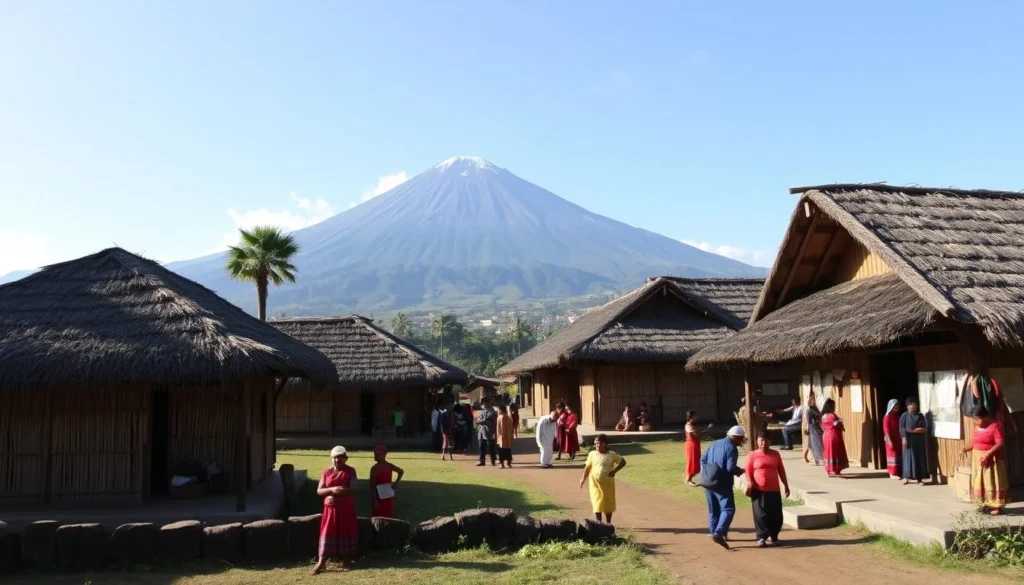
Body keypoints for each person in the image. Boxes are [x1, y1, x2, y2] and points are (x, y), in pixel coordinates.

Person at [312, 446, 358, 574]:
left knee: (345, 531)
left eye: (340, 457)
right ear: (331, 459)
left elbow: (354, 488)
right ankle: (321, 562)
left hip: (345, 508)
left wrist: (342, 490)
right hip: (330, 510)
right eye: (335, 458)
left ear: (345, 458)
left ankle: (346, 560)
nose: (337, 460)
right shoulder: (327, 472)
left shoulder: (350, 471)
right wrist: (332, 490)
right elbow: (319, 490)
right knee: (327, 532)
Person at [699, 426, 747, 549]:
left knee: (713, 509)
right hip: (722, 483)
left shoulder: (715, 443)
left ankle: (714, 532)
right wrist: (740, 470)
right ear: (736, 437)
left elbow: (703, 459)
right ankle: (719, 533)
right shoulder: (731, 447)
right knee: (728, 509)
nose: (741, 442)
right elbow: (730, 468)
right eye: (741, 439)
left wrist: (709, 472)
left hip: (708, 481)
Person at [961, 405, 1009, 515]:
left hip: (992, 460)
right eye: (974, 419)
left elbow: (1000, 442)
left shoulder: (995, 426)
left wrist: (988, 453)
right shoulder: (977, 428)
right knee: (981, 481)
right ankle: (985, 504)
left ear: (986, 417)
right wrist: (964, 449)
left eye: (978, 419)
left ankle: (996, 506)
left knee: (992, 481)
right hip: (978, 460)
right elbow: (974, 442)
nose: (975, 421)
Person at [744, 431, 790, 547]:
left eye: (767, 440)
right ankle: (761, 538)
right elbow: (748, 470)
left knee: (776, 515)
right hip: (759, 490)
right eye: (761, 440)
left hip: (774, 490)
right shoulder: (752, 455)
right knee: (761, 515)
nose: (764, 443)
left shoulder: (775, 454)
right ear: (757, 441)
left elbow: (781, 470)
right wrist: (750, 483)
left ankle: (774, 536)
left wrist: (786, 485)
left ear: (770, 441)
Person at [580, 434, 626, 524]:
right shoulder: (592, 454)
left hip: (608, 485)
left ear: (605, 444)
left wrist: (614, 471)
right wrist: (583, 479)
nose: (597, 445)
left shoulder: (611, 454)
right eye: (596, 444)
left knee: (608, 503)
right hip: (595, 484)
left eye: (599, 443)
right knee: (597, 502)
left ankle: (608, 523)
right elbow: (588, 467)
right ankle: (598, 524)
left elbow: (623, 462)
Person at [369, 445, 404, 518]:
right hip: (378, 496)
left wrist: (396, 482)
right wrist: (375, 500)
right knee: (379, 517)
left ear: (384, 455)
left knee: (389, 516)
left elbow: (401, 471)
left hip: (388, 495)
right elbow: (372, 487)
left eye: (377, 454)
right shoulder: (374, 469)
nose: (375, 456)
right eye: (375, 454)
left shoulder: (389, 466)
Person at [900, 398, 928, 485]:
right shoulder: (904, 416)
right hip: (908, 440)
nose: (913, 407)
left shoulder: (920, 416)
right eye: (911, 405)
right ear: (908, 406)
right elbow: (902, 428)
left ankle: (919, 479)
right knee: (907, 459)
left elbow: (924, 428)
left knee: (919, 458)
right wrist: (904, 438)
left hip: (918, 441)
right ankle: (906, 478)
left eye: (914, 405)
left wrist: (914, 430)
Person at [821, 399, 848, 477]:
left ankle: (828, 470)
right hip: (833, 435)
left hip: (826, 435)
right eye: (833, 405)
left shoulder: (823, 416)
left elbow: (822, 426)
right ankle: (836, 469)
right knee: (836, 452)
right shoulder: (832, 415)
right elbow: (836, 424)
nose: (834, 407)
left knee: (827, 452)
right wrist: (841, 425)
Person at [684, 410, 713, 485]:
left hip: (694, 444)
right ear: (690, 417)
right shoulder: (688, 426)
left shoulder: (690, 425)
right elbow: (697, 435)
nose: (696, 418)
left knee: (695, 460)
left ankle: (689, 479)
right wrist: (708, 429)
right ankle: (688, 479)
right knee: (692, 461)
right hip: (691, 445)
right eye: (694, 416)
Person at [883, 399, 903, 479]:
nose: (897, 407)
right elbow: (886, 429)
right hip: (890, 439)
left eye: (898, 406)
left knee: (898, 454)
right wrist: (889, 440)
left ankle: (898, 472)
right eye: (895, 406)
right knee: (892, 455)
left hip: (898, 438)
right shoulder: (887, 417)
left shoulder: (897, 416)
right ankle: (892, 473)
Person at [802, 393, 824, 466]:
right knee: (811, 443)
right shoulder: (808, 409)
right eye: (813, 399)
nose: (814, 401)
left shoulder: (816, 408)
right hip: (811, 427)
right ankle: (812, 458)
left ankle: (818, 458)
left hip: (817, 427)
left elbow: (819, 416)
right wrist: (806, 428)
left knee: (817, 443)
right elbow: (806, 419)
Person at [476, 399, 498, 467]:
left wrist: (481, 421)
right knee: (481, 447)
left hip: (489, 431)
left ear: (489, 404)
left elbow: (485, 420)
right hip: (481, 432)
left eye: (485, 403)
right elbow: (478, 420)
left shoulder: (492, 412)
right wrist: (481, 421)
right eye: (483, 404)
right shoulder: (483, 412)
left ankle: (493, 460)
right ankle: (482, 461)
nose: (483, 405)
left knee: (491, 446)